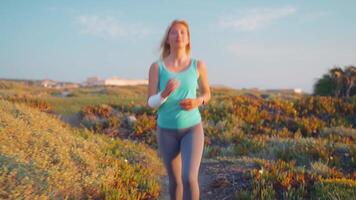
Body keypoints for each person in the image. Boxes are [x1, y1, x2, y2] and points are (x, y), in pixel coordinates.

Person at [147, 19, 211, 200]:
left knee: (189, 178)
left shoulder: (197, 65)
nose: (178, 35)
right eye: (174, 32)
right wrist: (164, 93)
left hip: (192, 128)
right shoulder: (156, 67)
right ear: (168, 39)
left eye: (183, 32)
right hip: (166, 130)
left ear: (188, 39)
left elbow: (207, 94)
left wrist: (198, 101)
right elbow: (150, 102)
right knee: (175, 181)